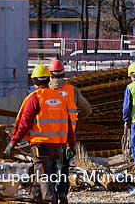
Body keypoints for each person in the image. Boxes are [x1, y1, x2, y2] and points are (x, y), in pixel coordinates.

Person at [7, 64, 74, 204]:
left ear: (34, 81)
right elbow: (68, 124)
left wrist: (13, 142)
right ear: (48, 79)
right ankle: (37, 198)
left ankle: (50, 200)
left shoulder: (35, 98)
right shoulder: (59, 98)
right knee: (44, 174)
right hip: (57, 146)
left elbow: (24, 123)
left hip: (40, 144)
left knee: (44, 176)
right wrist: (71, 144)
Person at [48, 59, 92, 204]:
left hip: (48, 138)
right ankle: (62, 193)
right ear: (63, 73)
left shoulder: (45, 91)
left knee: (50, 167)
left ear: (50, 74)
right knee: (63, 167)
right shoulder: (72, 90)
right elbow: (87, 109)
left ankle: (52, 194)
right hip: (67, 137)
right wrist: (77, 118)